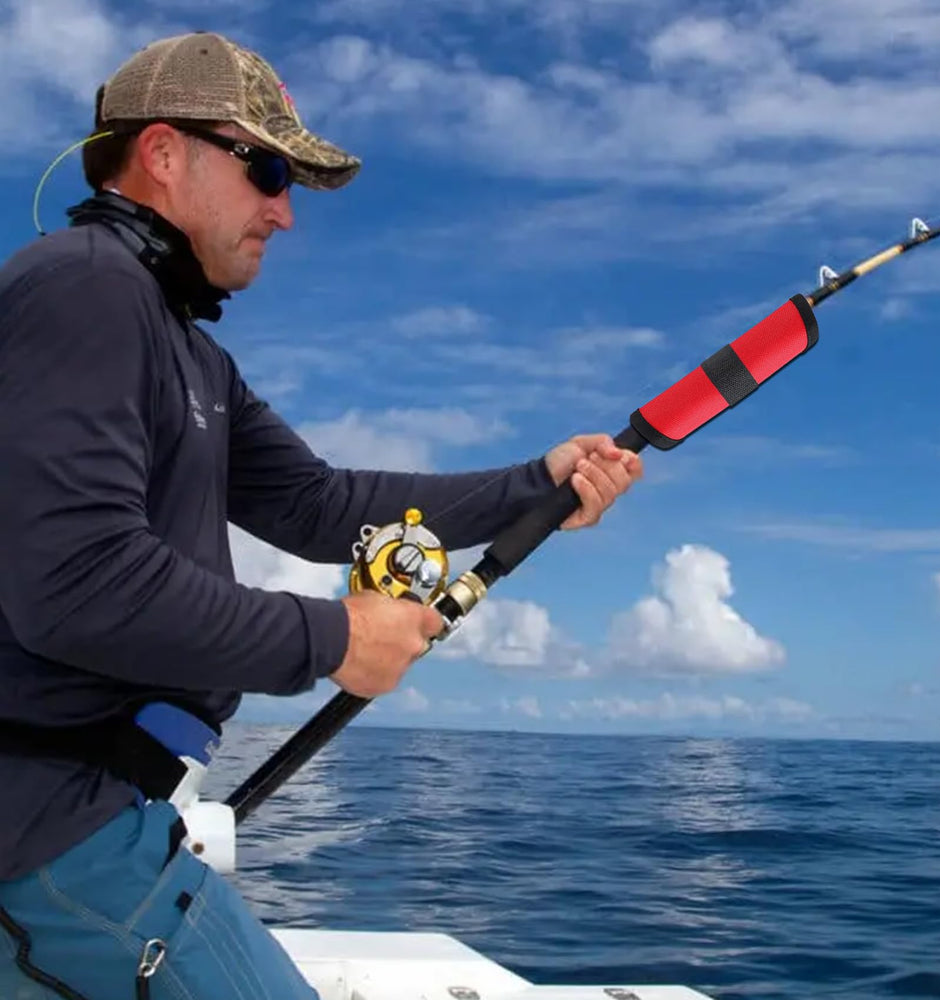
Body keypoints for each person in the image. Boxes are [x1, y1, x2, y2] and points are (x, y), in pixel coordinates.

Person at [0, 30, 643, 1000]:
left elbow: (319, 504)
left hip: (94, 816)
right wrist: (334, 637)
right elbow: (77, 583)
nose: (284, 211)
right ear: (163, 153)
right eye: (265, 169)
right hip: (52, 838)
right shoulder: (86, 288)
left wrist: (534, 486)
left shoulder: (190, 353)